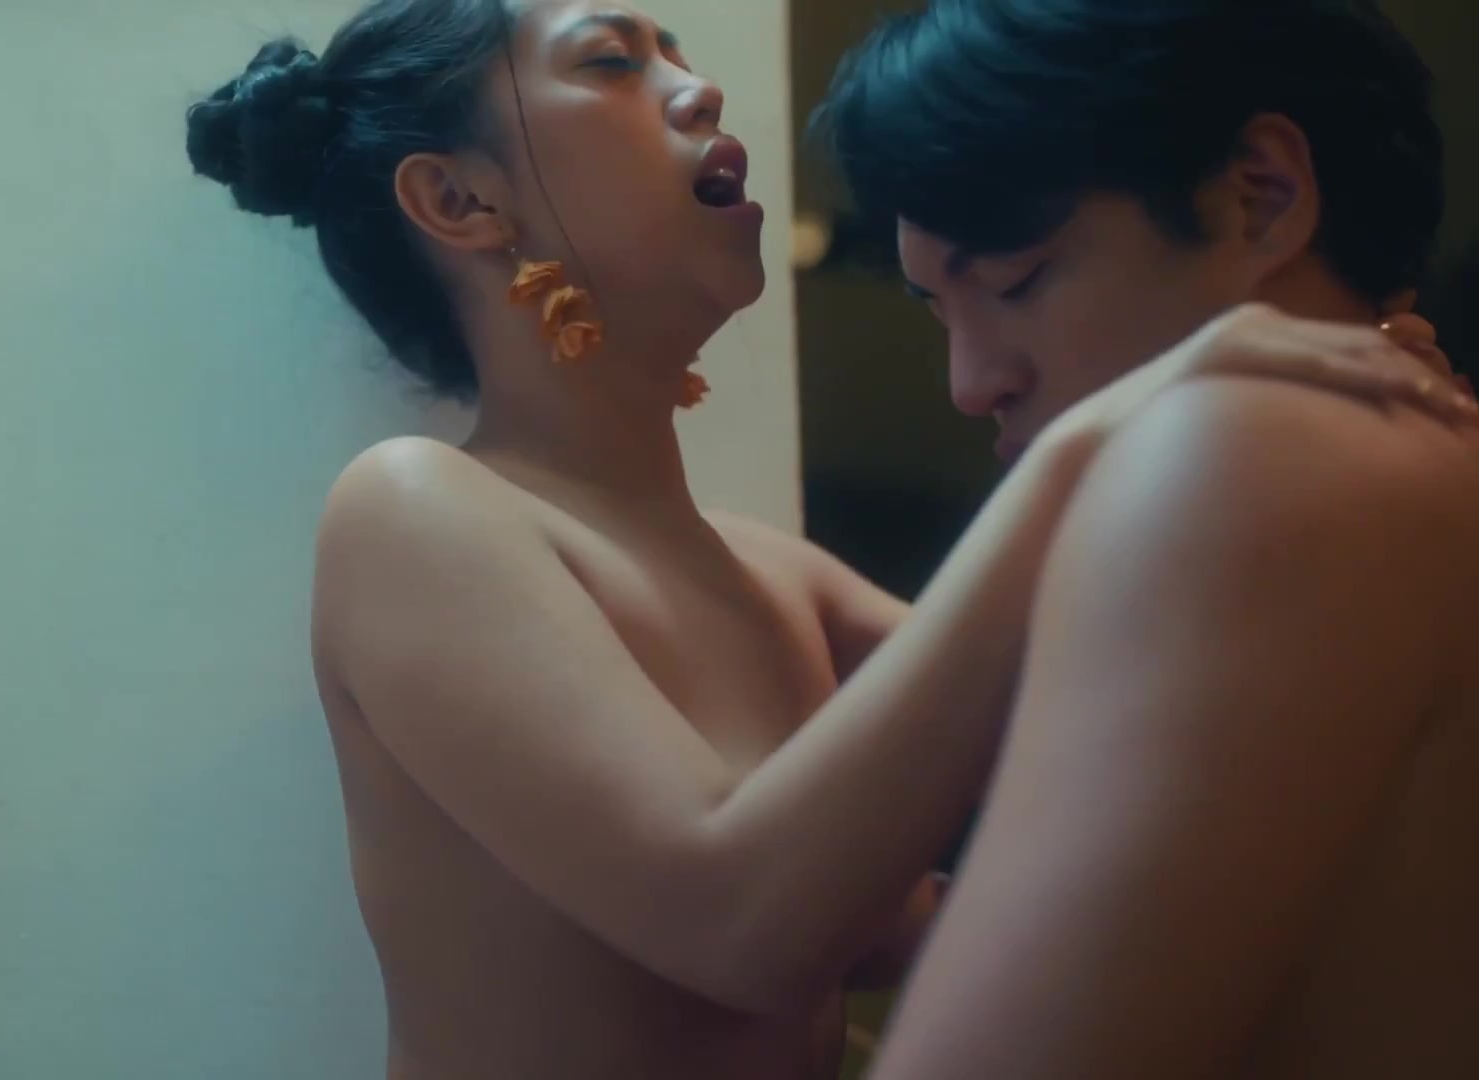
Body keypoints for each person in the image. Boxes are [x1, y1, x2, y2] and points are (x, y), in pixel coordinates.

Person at [188, 2, 1469, 1076]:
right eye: (613, 61)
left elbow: (1169, 724)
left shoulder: (776, 573)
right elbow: (739, 919)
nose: (697, 88)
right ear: (458, 197)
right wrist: (1094, 450)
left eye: (680, 51)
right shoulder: (416, 507)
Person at [815, 1, 1479, 1076]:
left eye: (1019, 279)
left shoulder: (1247, 453)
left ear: (1260, 196)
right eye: (939, 309)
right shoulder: (1435, 457)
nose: (971, 382)